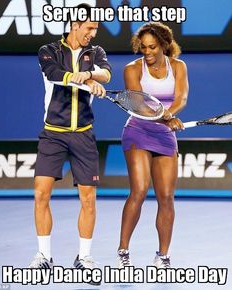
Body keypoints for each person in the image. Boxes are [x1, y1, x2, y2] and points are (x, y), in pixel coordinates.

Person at [29, 3, 112, 278]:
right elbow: (54, 75)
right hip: (53, 133)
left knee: (88, 199)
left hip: (84, 135)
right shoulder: (48, 51)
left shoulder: (95, 52)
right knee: (41, 193)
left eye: (96, 29)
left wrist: (90, 75)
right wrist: (84, 82)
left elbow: (106, 73)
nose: (92, 34)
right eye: (89, 28)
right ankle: (44, 255)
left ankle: (85, 257)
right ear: (75, 24)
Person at [117, 22, 189, 268]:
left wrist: (171, 114)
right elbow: (139, 104)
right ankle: (123, 253)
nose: (146, 52)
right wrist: (167, 117)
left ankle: (163, 256)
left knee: (167, 197)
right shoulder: (132, 68)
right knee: (139, 190)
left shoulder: (178, 66)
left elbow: (182, 97)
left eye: (152, 47)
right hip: (138, 131)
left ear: (164, 46)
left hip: (165, 135)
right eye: (143, 47)